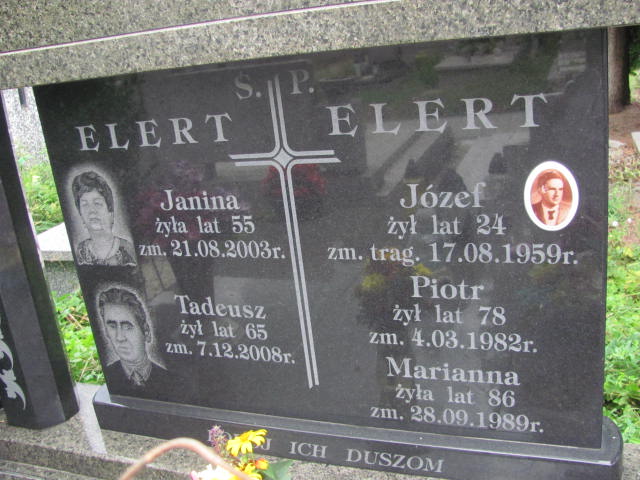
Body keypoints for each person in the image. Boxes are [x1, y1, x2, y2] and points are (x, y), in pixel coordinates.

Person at [97, 286, 168, 389]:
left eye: (127, 327)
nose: (120, 338)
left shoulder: (173, 380)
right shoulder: (110, 374)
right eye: (112, 326)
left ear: (146, 332)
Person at [71, 171, 136, 266]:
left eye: (97, 203)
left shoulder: (128, 249)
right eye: (85, 205)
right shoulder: (80, 251)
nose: (91, 211)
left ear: (110, 211)